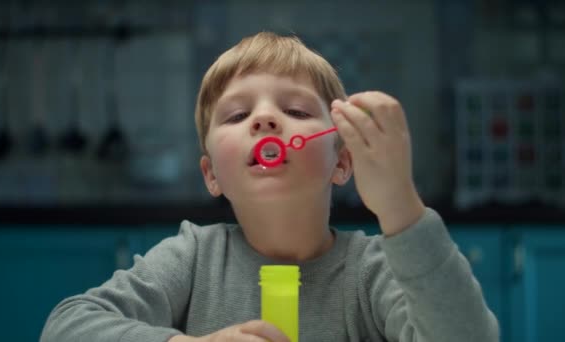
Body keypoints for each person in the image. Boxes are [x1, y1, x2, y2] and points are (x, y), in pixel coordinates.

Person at [41, 31, 499, 342]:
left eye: (297, 111)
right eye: (238, 116)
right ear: (212, 175)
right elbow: (64, 328)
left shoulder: (372, 270)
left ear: (342, 163)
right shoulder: (192, 258)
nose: (264, 118)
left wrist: (401, 205)